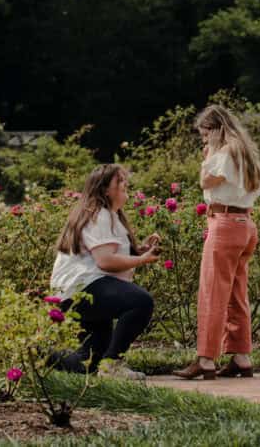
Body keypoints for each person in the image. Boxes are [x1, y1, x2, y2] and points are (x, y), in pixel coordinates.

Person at [173, 105, 260, 380]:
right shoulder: (245, 153)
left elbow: (205, 182)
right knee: (236, 292)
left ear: (216, 129)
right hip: (245, 224)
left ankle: (206, 359)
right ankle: (241, 356)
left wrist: (209, 153)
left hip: (224, 223)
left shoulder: (224, 154)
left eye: (204, 134)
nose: (203, 140)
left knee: (212, 292)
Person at [49, 163, 160, 380]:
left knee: (87, 362)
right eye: (119, 181)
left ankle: (37, 356)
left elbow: (108, 253)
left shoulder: (110, 215)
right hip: (84, 288)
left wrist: (140, 251)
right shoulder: (99, 214)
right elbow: (105, 261)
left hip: (79, 290)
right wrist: (141, 260)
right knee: (141, 302)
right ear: (104, 189)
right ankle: (113, 366)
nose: (124, 183)